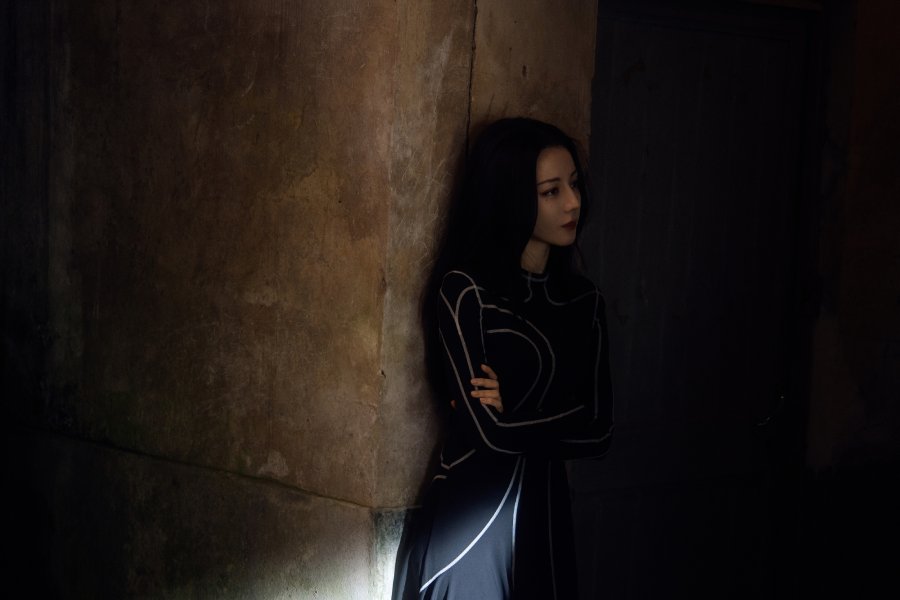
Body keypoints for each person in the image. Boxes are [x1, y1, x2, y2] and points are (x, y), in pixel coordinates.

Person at [392, 117, 614, 600]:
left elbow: (599, 431)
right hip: (470, 528)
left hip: (546, 522)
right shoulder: (466, 291)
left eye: (574, 184)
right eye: (551, 191)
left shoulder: (584, 303)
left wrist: (513, 407)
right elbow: (485, 432)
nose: (573, 202)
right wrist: (559, 412)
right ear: (510, 197)